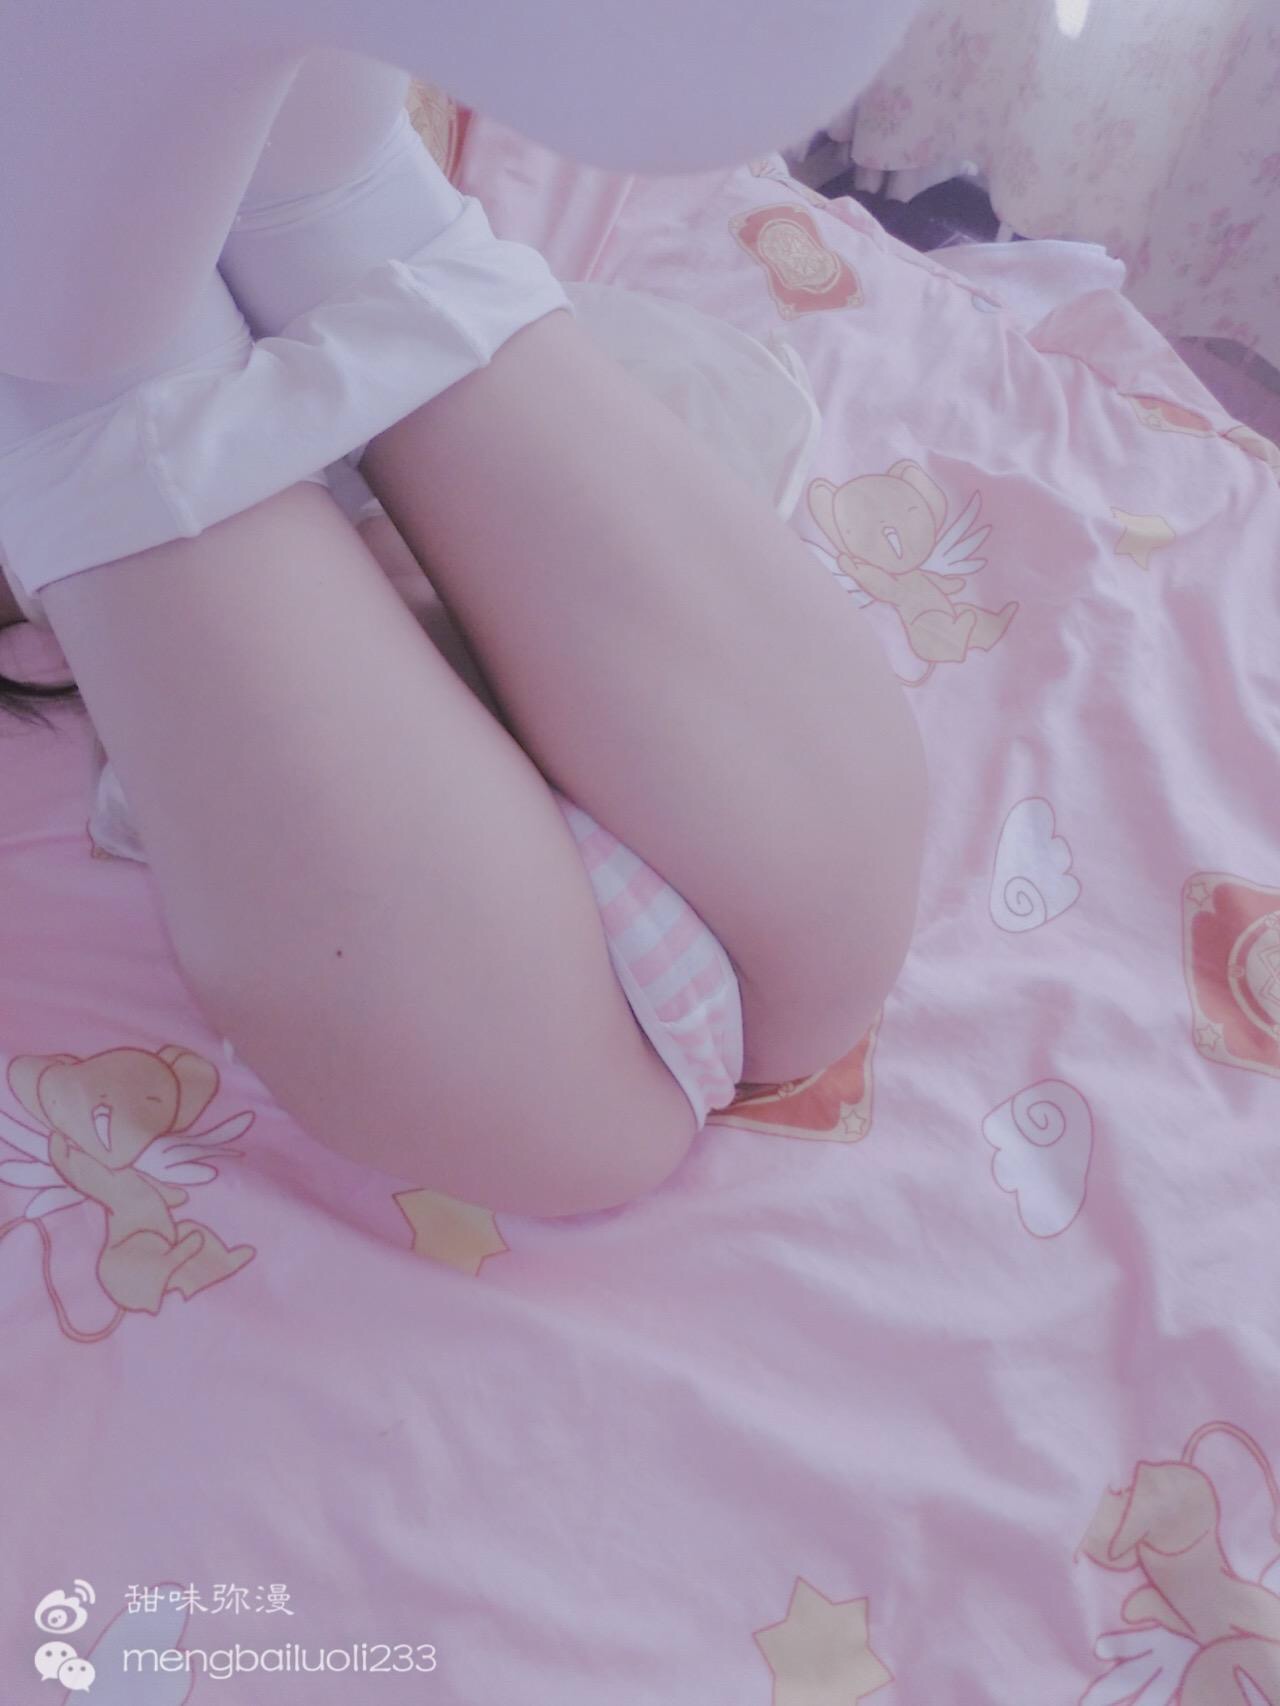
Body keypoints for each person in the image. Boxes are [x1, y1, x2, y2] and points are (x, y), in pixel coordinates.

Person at [0, 8, 929, 1219]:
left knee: (823, 952)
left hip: (274, 235)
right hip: (134, 324)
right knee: (581, 1105)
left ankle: (165, 251)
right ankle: (97, 302)